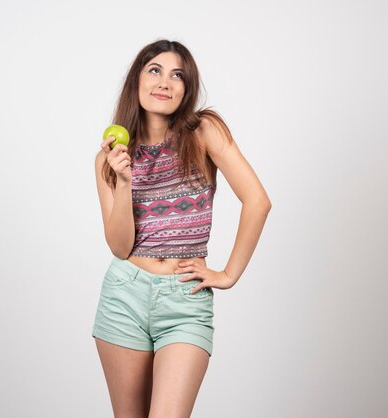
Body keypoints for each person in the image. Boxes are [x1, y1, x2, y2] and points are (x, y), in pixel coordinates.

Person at [91, 39, 272, 418]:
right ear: (137, 81)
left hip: (185, 301)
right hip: (125, 295)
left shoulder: (203, 131)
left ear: (186, 89)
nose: (165, 82)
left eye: (178, 75)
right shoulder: (109, 158)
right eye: (154, 70)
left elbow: (258, 200)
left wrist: (228, 274)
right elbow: (120, 247)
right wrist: (124, 181)